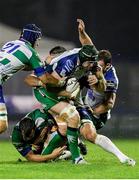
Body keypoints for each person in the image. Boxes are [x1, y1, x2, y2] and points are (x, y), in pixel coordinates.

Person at [75, 19, 136, 166]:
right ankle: (73, 148)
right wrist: (82, 32)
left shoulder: (111, 79)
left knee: (88, 134)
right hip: (86, 103)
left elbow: (109, 103)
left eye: (100, 66)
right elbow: (88, 45)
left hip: (98, 113)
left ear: (108, 66)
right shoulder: (96, 63)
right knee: (66, 126)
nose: (96, 67)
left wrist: (92, 111)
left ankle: (122, 157)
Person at [24, 44, 98, 164]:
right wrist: (66, 93)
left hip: (57, 95)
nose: (91, 65)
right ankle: (75, 157)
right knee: (71, 118)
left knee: (65, 127)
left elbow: (89, 44)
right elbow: (31, 80)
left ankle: (49, 157)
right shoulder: (64, 64)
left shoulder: (81, 61)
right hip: (46, 94)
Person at [0, 24, 58, 134]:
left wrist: (41, 64)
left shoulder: (10, 43)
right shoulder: (30, 52)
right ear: (33, 38)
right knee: (2, 125)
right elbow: (44, 79)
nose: (38, 43)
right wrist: (60, 83)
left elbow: (21, 65)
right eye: (38, 39)